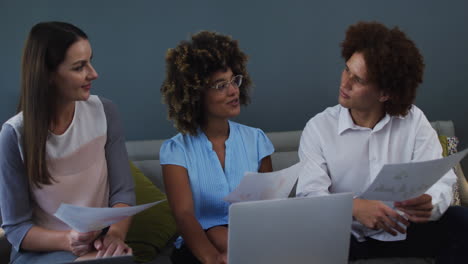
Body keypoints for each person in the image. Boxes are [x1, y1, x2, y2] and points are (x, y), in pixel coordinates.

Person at [296, 21, 468, 262]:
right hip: (348, 237)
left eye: (358, 80)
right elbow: (309, 195)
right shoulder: (319, 127)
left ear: (385, 93)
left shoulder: (414, 120)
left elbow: (441, 180)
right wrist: (354, 207)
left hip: (405, 230)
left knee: (461, 221)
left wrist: (431, 202)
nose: (344, 84)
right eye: (347, 70)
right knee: (314, 238)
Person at [0, 22, 135, 263]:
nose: (93, 74)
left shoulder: (105, 112)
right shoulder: (14, 135)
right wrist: (68, 240)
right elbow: (16, 229)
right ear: (48, 75)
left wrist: (115, 234)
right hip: (41, 251)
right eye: (79, 67)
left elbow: (122, 191)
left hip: (97, 245)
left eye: (90, 61)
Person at [160, 31, 274, 264]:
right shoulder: (175, 150)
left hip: (251, 242)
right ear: (195, 95)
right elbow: (184, 216)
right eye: (220, 85)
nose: (233, 91)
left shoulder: (257, 140)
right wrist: (214, 257)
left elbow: (268, 208)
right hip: (198, 247)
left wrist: (242, 246)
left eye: (234, 80)